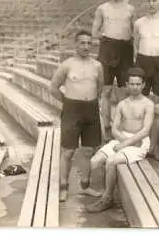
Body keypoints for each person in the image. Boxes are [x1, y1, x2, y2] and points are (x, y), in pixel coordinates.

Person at [85, 68, 154, 213]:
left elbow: (145, 131)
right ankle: (97, 189)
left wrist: (126, 143)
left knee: (111, 161)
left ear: (143, 85)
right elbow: (115, 129)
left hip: (139, 142)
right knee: (94, 161)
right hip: (124, 137)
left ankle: (107, 198)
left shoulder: (148, 104)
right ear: (127, 85)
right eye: (132, 84)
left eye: (138, 84)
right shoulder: (123, 104)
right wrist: (123, 141)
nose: (134, 87)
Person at [49, 30, 104, 202]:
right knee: (68, 151)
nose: (86, 46)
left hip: (91, 109)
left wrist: (90, 101)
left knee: (88, 150)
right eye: (82, 43)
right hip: (72, 109)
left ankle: (85, 186)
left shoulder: (97, 65)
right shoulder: (67, 65)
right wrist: (68, 102)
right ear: (76, 44)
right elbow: (53, 87)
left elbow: (100, 88)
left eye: (89, 43)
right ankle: (64, 187)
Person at [92, 0, 135, 142]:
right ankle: (108, 128)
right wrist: (105, 40)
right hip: (107, 48)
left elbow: (133, 32)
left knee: (125, 91)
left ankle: (123, 127)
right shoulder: (102, 8)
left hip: (125, 49)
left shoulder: (130, 9)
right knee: (107, 91)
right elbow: (95, 31)